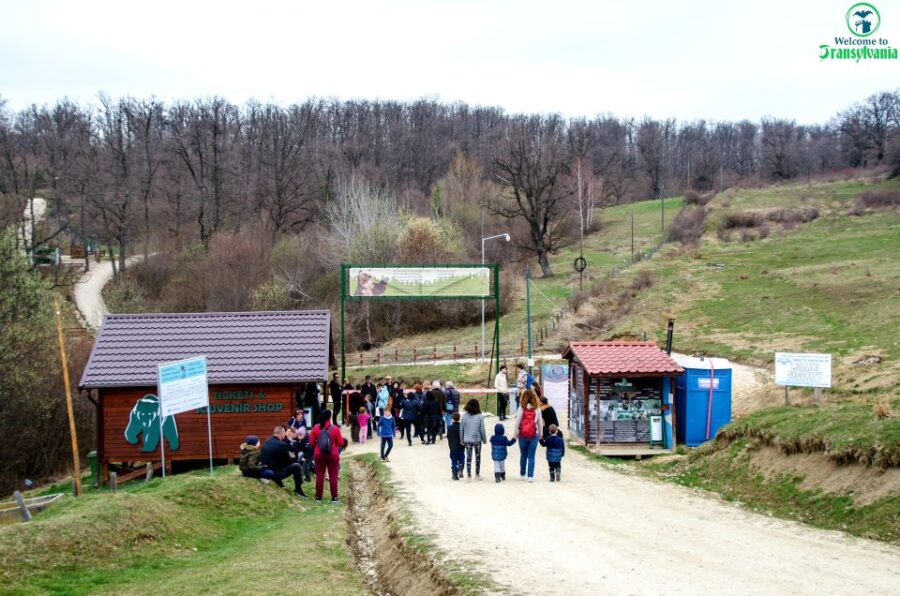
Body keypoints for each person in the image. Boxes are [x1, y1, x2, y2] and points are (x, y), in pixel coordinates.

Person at [308, 410, 348, 503]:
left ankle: (318, 497)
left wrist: (318, 448)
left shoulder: (316, 427)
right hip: (332, 455)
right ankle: (334, 498)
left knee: (319, 476)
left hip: (319, 455)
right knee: (333, 476)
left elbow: (311, 442)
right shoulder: (335, 428)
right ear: (329, 417)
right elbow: (341, 443)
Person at [260, 426, 307, 498]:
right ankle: (298, 490)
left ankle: (279, 483)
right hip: (275, 473)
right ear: (282, 434)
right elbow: (288, 462)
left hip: (265, 471)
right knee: (296, 466)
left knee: (277, 464)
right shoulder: (282, 445)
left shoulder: (267, 441)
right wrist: (292, 457)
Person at [513, 389, 543, 482]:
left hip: (522, 434)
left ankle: (522, 474)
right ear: (535, 397)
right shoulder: (537, 408)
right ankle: (530, 476)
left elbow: (517, 421)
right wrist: (540, 434)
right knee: (531, 456)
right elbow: (540, 423)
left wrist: (515, 433)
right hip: (534, 435)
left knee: (523, 455)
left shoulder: (521, 408)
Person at [460, 398, 487, 480]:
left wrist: (461, 440)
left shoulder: (464, 417)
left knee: (468, 457)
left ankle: (468, 475)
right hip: (477, 440)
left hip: (467, 440)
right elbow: (482, 429)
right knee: (478, 457)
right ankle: (477, 474)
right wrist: (484, 439)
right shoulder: (480, 417)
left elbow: (461, 429)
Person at [447, 412, 464, 481]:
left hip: (452, 447)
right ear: (459, 418)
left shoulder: (449, 428)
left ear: (452, 419)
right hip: (460, 447)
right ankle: (460, 468)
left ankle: (454, 474)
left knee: (453, 460)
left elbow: (448, 437)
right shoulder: (461, 427)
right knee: (461, 459)